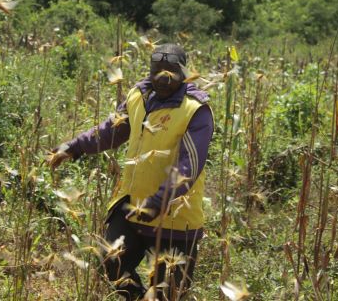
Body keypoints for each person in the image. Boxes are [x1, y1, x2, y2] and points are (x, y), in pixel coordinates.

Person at [48, 43, 214, 300]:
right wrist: (74, 146)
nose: (163, 77)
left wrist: (159, 201)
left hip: (175, 219)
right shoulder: (139, 96)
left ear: (183, 74)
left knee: (168, 293)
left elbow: (188, 166)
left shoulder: (196, 110)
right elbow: (111, 130)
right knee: (112, 263)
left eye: (170, 71)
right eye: (157, 70)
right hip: (133, 208)